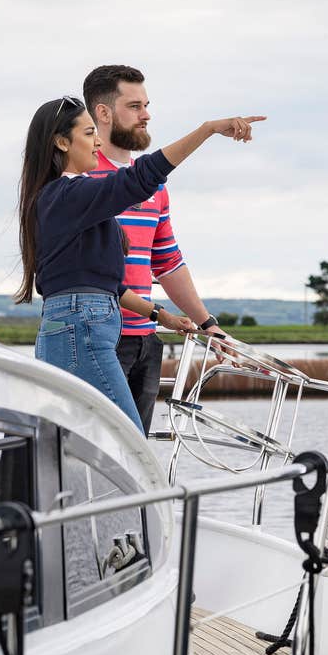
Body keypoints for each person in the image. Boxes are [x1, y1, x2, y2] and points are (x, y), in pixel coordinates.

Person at [14, 94, 264, 432]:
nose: (98, 142)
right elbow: (139, 179)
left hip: (78, 324)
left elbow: (110, 287)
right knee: (125, 440)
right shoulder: (64, 196)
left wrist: (163, 316)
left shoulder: (71, 199)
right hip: (81, 328)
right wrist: (206, 130)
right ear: (61, 142)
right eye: (89, 134)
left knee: (93, 444)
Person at [82, 65, 232, 435]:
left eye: (146, 105)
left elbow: (167, 263)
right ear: (103, 113)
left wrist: (208, 324)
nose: (146, 115)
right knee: (95, 450)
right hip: (98, 338)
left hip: (146, 341)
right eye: (134, 106)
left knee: (135, 452)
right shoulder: (79, 178)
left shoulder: (155, 188)